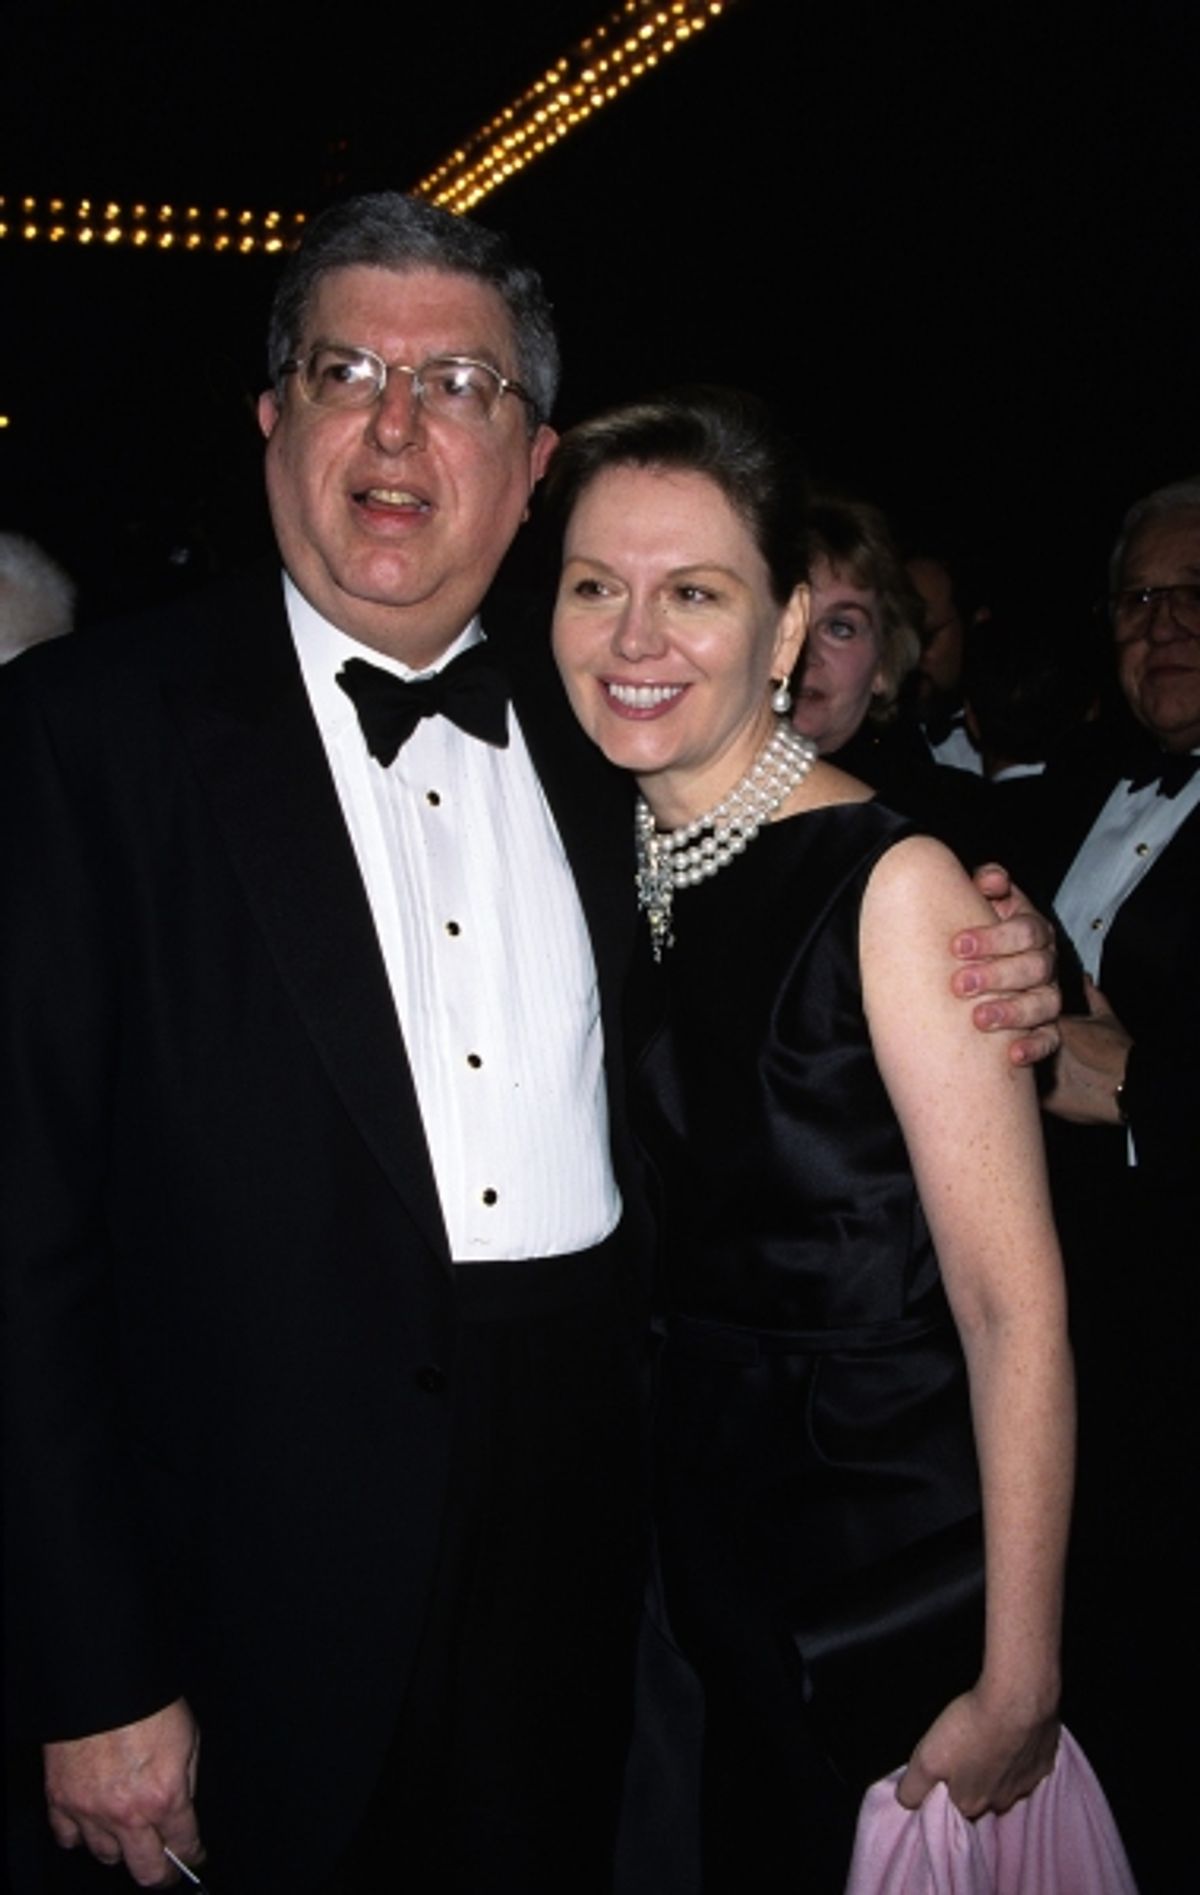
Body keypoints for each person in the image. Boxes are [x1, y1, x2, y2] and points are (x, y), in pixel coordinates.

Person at [0, 198, 1058, 1895]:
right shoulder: (78, 741)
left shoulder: (606, 733)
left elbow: (808, 887)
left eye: (460, 382)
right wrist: (89, 1667)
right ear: (274, 420)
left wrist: (1006, 941)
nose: (398, 421)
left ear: (534, 454)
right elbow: (21, 1244)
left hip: (616, 1560)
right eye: (346, 368)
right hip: (248, 1585)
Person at [548, 390, 1074, 1892]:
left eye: (696, 592)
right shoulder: (603, 847)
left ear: (784, 634)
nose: (637, 633)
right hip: (676, 1553)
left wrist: (1021, 1668)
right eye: (599, 585)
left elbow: (1011, 1302)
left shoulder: (895, 883)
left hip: (870, 1566)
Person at [1034, 475, 1200, 1891]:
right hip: (1071, 1355)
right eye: (1141, 599)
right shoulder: (1075, 787)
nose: (1167, 624)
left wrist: (1144, 1085)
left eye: (1198, 593)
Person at [791, 496, 991, 861]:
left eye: (840, 627)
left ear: (883, 665)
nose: (807, 651)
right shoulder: (674, 795)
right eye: (786, 618)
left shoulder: (954, 822)